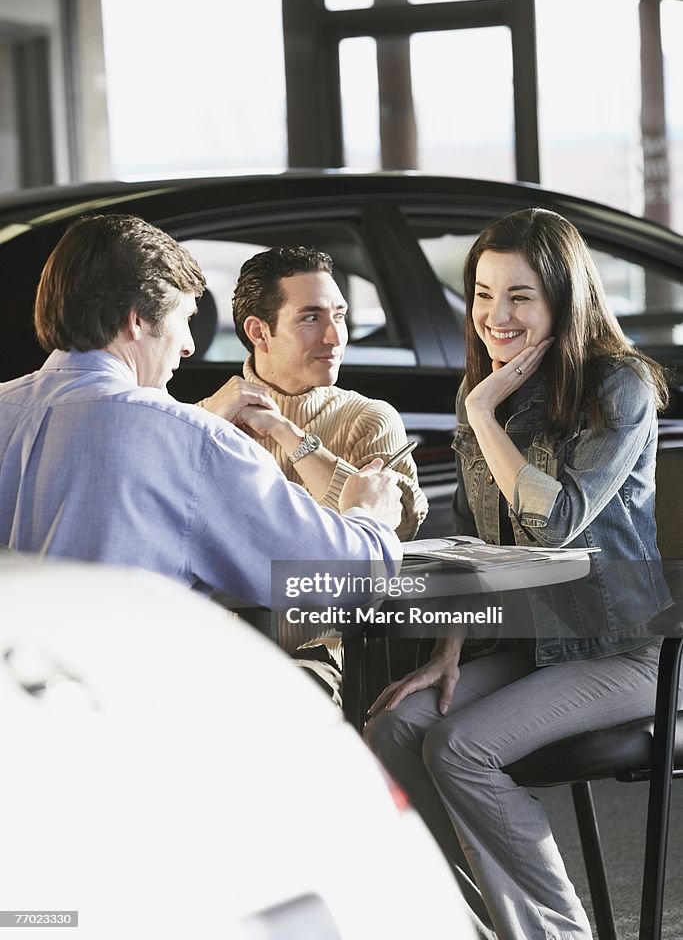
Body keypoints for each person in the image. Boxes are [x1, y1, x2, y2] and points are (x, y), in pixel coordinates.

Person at [364, 208, 678, 940]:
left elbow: (554, 520)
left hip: (629, 650)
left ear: (563, 299)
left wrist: (479, 413)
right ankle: (469, 924)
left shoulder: (619, 387)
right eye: (481, 294)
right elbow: (478, 542)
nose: (494, 316)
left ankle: (553, 934)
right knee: (394, 724)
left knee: (459, 747)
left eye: (519, 296)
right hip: (532, 647)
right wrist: (444, 654)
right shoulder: (494, 391)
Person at [0, 215, 404, 607]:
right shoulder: (193, 440)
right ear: (136, 321)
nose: (189, 345)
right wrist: (368, 515)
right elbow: (338, 578)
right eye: (185, 318)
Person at [200, 245, 428, 699]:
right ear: (258, 332)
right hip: (213, 647)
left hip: (328, 655)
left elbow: (395, 531)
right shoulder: (204, 420)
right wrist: (205, 425)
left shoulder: (369, 419)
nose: (334, 337)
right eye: (311, 318)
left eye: (339, 315)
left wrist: (288, 434)